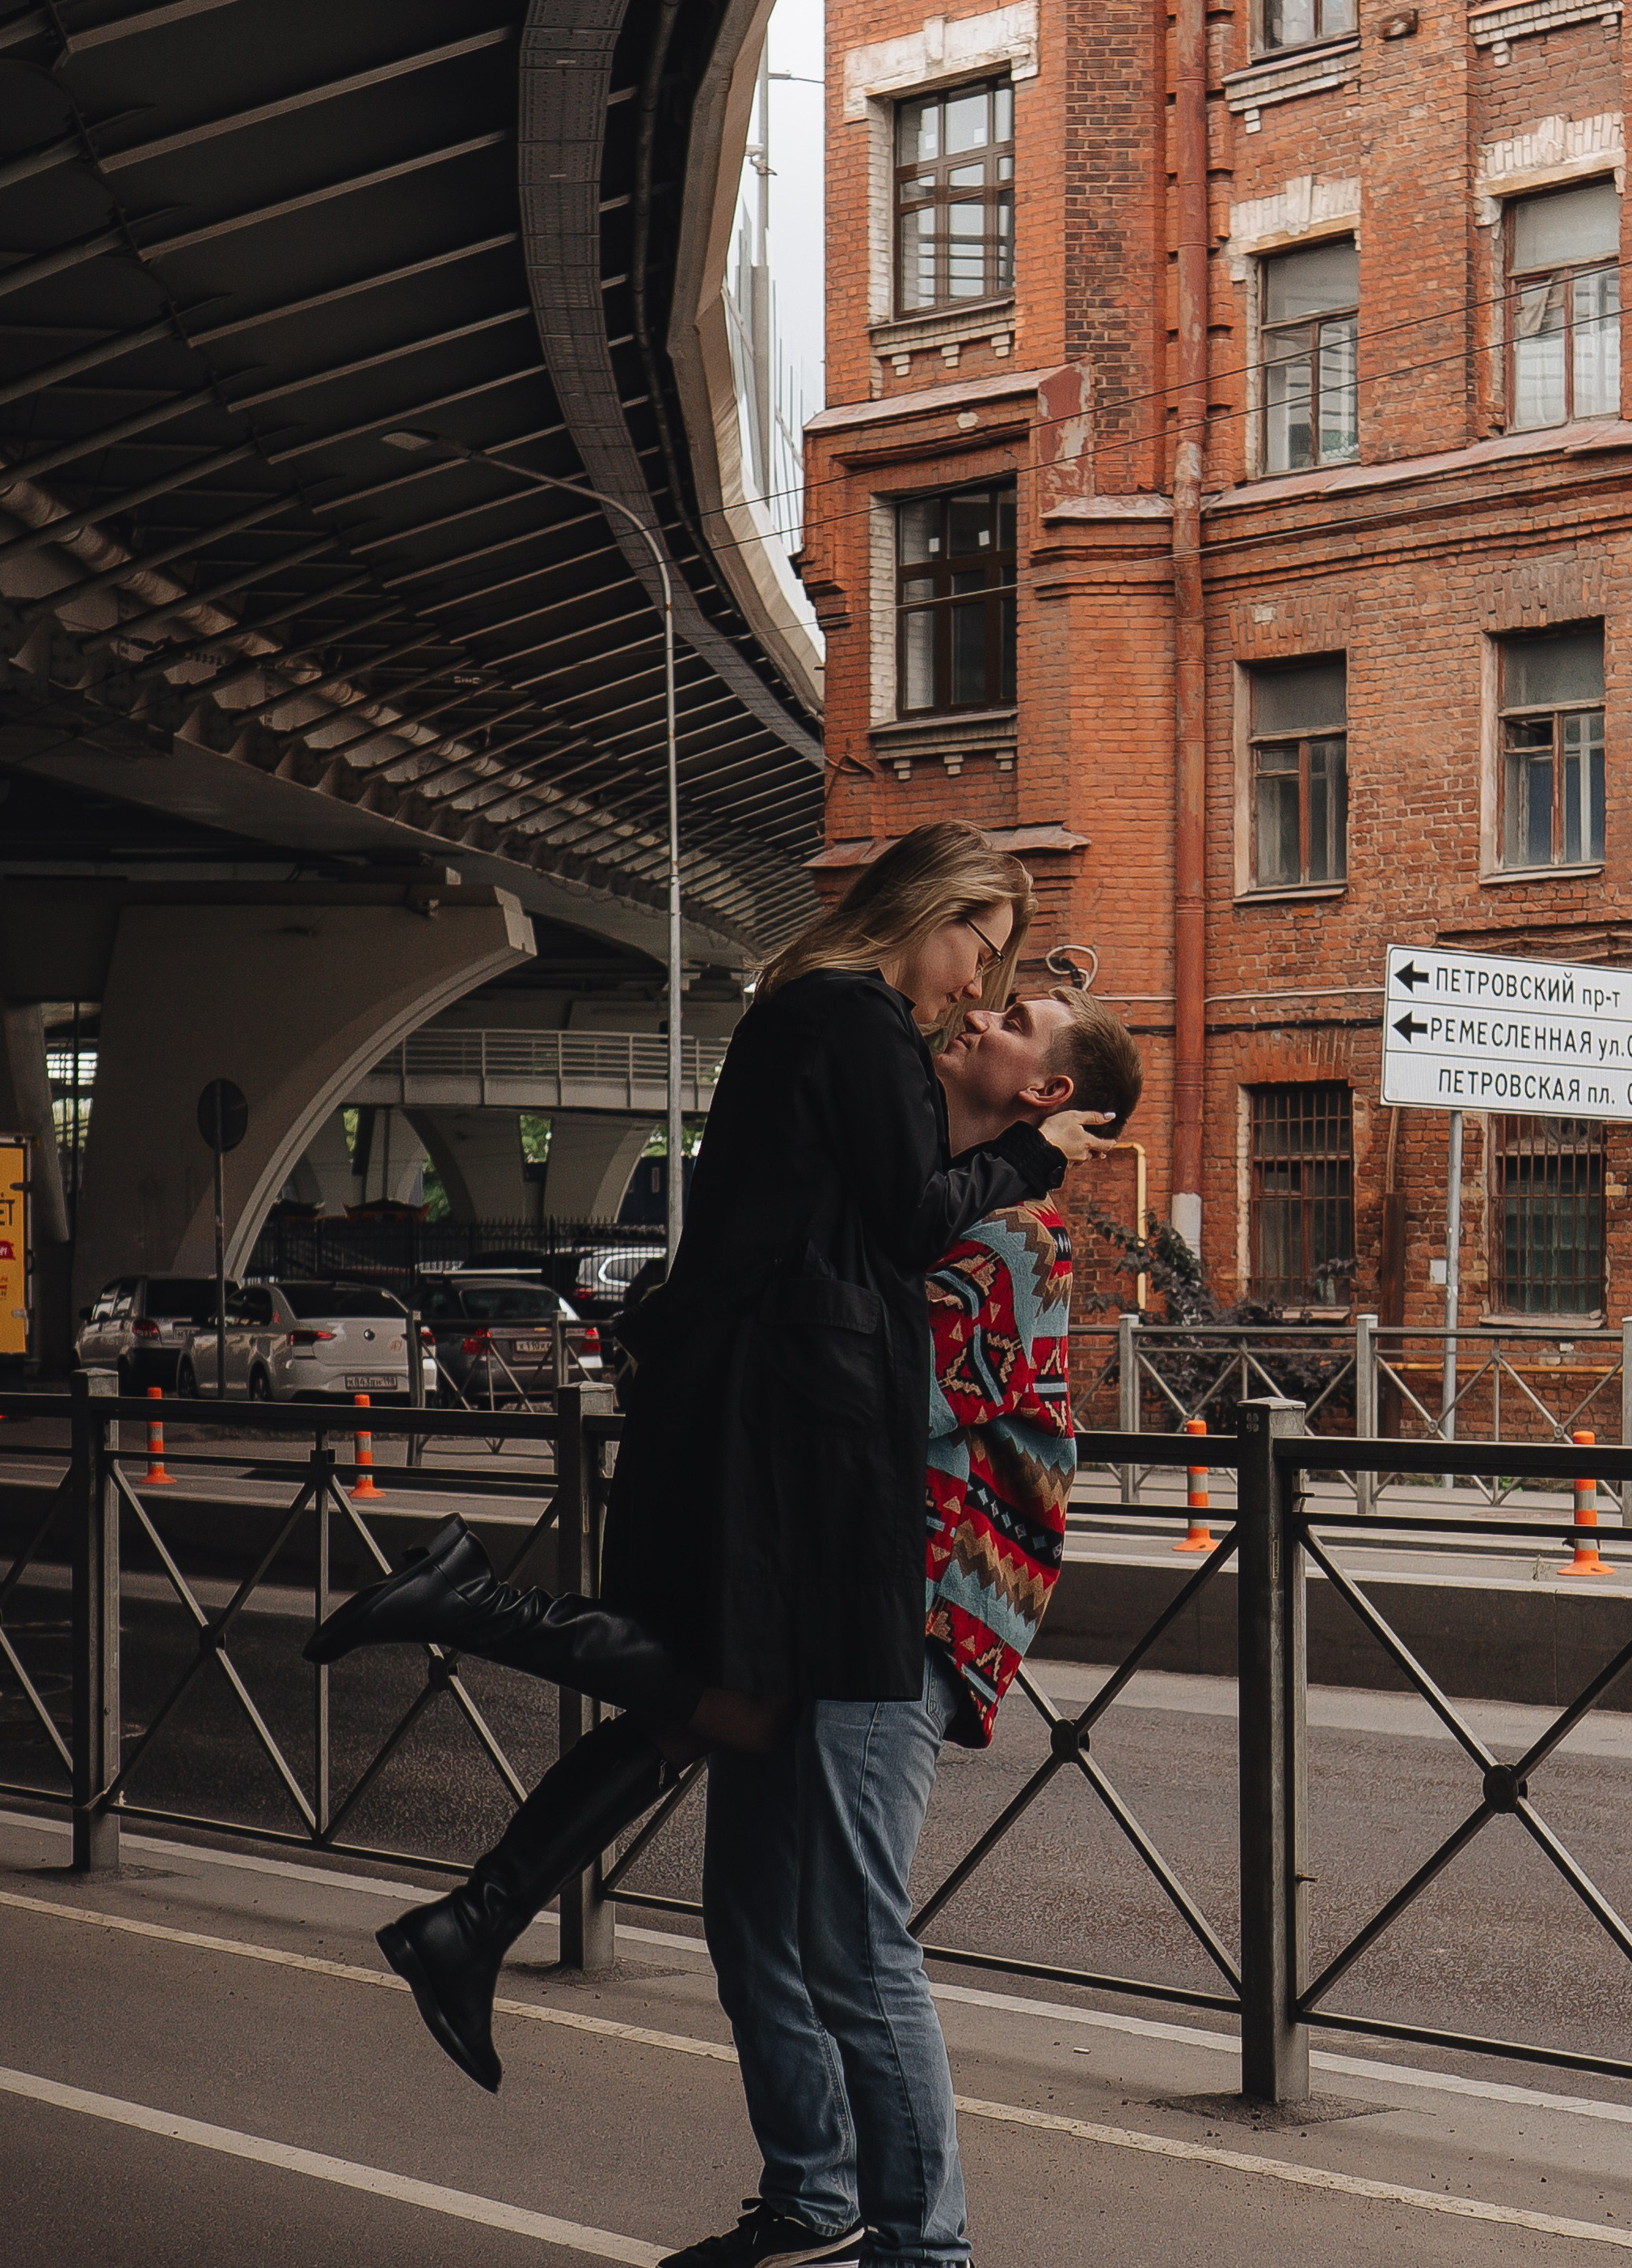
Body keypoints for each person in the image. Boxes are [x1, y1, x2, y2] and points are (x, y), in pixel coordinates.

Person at [304, 822, 1115, 2099]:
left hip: (763, 1409)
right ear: (929, 908)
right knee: (725, 1711)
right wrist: (1025, 1158)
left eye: (1004, 985)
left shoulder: (830, 1024)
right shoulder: (854, 1022)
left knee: (713, 1705)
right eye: (981, 948)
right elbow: (904, 1227)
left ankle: (472, 1920)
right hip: (783, 1429)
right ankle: (465, 1616)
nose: (975, 984)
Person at [663, 986, 1141, 2268]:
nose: (979, 1013)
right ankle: (812, 2198)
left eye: (1016, 1017)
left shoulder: (1014, 1235)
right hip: (818, 1592)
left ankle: (930, 2262)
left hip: (914, 1605)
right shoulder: (920, 1199)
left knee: (852, 1937)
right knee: (750, 1915)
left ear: (1047, 1092)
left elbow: (874, 1388)